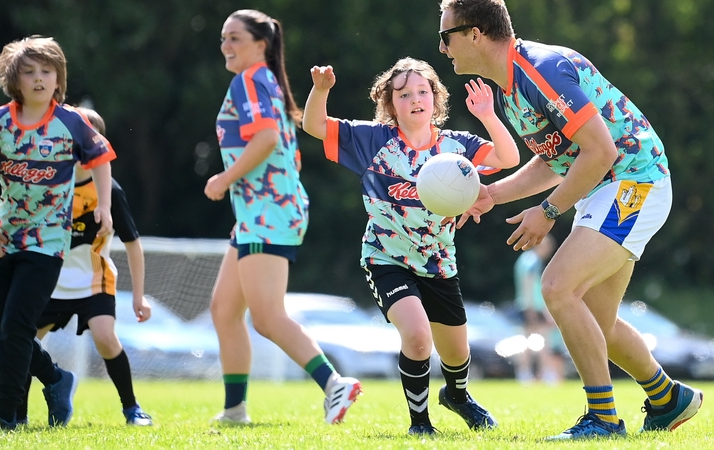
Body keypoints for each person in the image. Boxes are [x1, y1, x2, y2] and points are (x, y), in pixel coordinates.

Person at [440, 0, 703, 439]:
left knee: (556, 287)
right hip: (608, 185)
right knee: (596, 321)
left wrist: (547, 213)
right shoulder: (509, 87)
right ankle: (667, 398)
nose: (444, 49)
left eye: (445, 37)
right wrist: (492, 195)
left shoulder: (540, 69)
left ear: (475, 34)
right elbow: (556, 161)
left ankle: (602, 419)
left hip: (632, 180)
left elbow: (601, 151)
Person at [303, 57, 520, 435]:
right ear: (390, 104)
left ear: (435, 100)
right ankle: (420, 424)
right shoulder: (372, 140)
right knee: (418, 338)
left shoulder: (456, 146)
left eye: (423, 92)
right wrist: (321, 91)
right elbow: (314, 126)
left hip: (438, 262)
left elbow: (509, 157)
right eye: (404, 94)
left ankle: (457, 396)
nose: (415, 99)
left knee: (456, 352)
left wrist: (487, 114)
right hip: (386, 258)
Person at [204, 9, 362, 425]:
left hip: (266, 212)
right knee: (224, 309)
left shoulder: (250, 79)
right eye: (223, 38)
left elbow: (268, 137)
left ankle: (335, 385)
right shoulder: (265, 80)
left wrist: (224, 178)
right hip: (261, 212)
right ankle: (235, 409)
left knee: (268, 317)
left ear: (261, 45)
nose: (226, 46)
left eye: (234, 38)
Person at [0, 35, 116, 429]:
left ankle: (7, 414)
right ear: (15, 80)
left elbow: (102, 157)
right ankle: (57, 380)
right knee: (2, 331)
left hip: (48, 243)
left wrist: (105, 206)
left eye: (47, 71)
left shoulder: (72, 121)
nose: (39, 79)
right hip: (3, 238)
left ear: (59, 80)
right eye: (29, 72)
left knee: (17, 327)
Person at [17, 107, 153, 426]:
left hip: (93, 281)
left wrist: (139, 296)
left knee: (105, 337)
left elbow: (133, 245)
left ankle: (132, 408)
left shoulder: (109, 192)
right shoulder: (47, 184)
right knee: (20, 340)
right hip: (50, 282)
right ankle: (16, 414)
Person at [513, 233, 564, 385]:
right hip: (533, 306)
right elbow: (528, 283)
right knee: (543, 341)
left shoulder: (523, 259)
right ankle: (545, 374)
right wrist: (532, 309)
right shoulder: (533, 261)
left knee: (526, 340)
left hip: (523, 303)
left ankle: (524, 374)